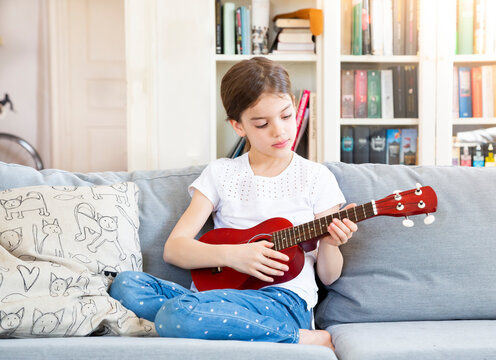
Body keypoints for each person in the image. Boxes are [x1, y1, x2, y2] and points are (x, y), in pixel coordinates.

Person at [109, 57, 358, 349]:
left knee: (177, 314)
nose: (279, 131)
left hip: (282, 301)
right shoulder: (221, 173)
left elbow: (328, 276)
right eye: (262, 124)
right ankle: (202, 322)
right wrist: (234, 256)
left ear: (293, 105)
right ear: (238, 126)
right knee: (125, 285)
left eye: (286, 116)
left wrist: (330, 244)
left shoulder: (316, 177)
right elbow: (174, 249)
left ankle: (303, 338)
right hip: (211, 297)